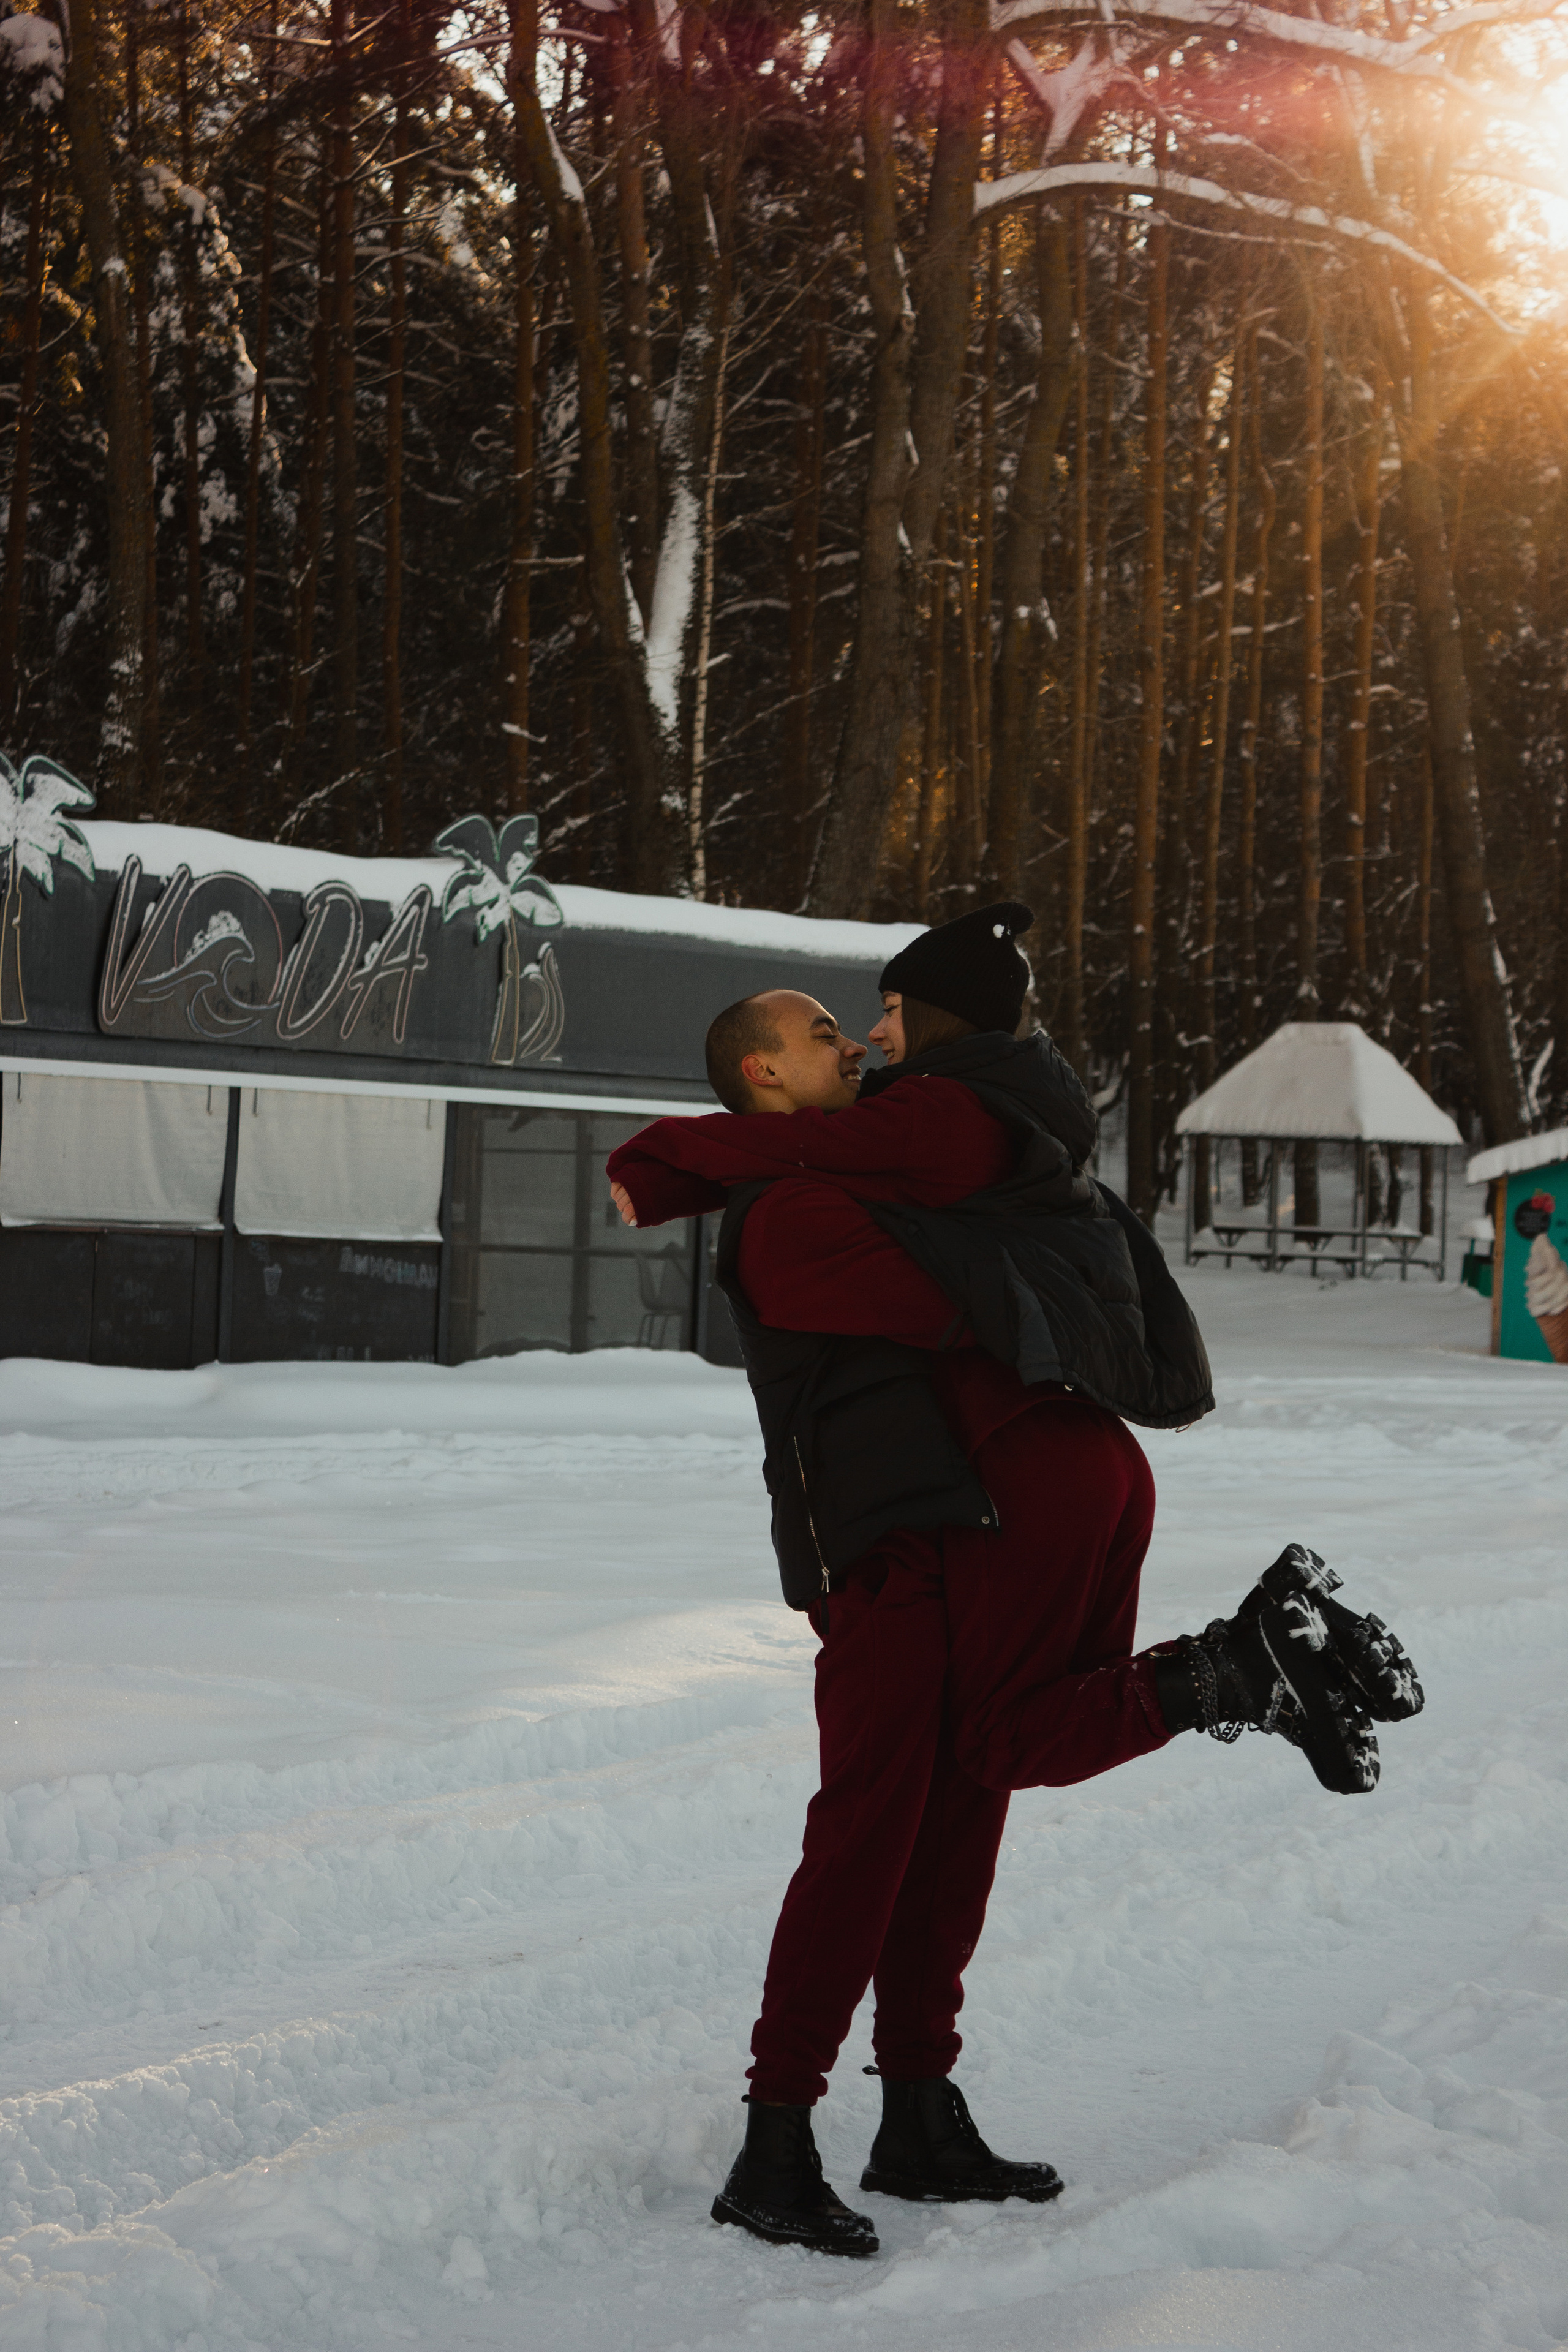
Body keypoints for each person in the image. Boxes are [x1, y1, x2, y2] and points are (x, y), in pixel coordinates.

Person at [606, 904, 1424, 2260]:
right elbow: (943, 1308)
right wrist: (1021, 1267)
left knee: (962, 1813)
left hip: (961, 1524)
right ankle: (772, 2140)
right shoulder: (789, 1213)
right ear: (763, 1079)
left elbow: (963, 1240)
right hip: (887, 1552)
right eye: (820, 1035)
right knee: (870, 1830)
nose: (854, 1042)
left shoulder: (872, 1180)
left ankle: (917, 2112)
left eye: (862, 1020)